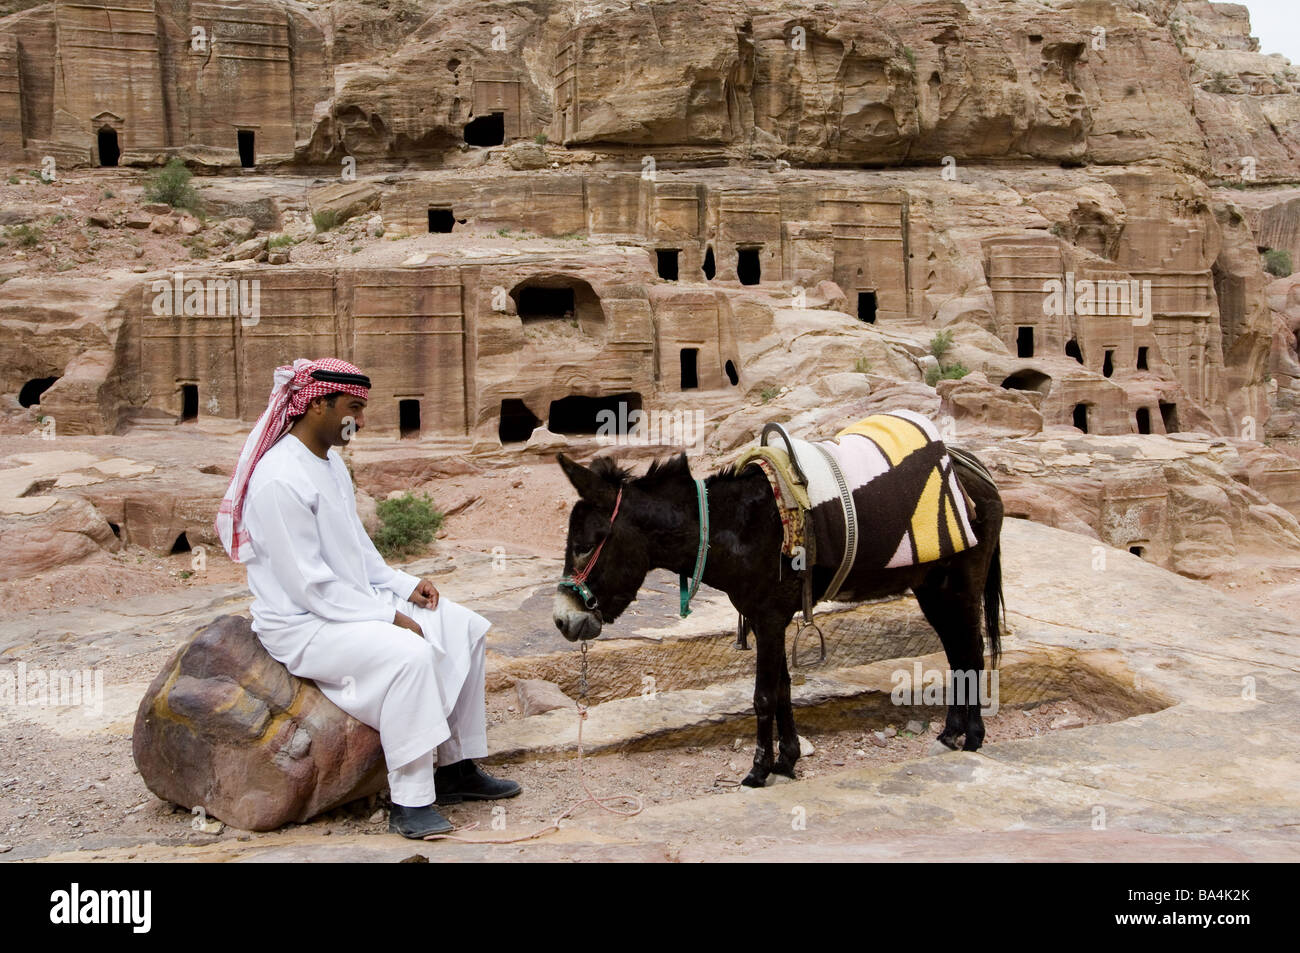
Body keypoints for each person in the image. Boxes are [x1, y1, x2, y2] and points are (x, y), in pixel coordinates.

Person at [214, 357, 520, 838]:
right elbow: (308, 586)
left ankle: (456, 769)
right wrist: (389, 617)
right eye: (353, 407)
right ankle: (411, 801)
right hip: (304, 625)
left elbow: (355, 545)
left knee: (465, 626)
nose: (361, 419)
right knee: (411, 655)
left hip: (349, 604)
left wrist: (401, 586)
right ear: (317, 406)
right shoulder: (279, 480)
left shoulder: (329, 463)